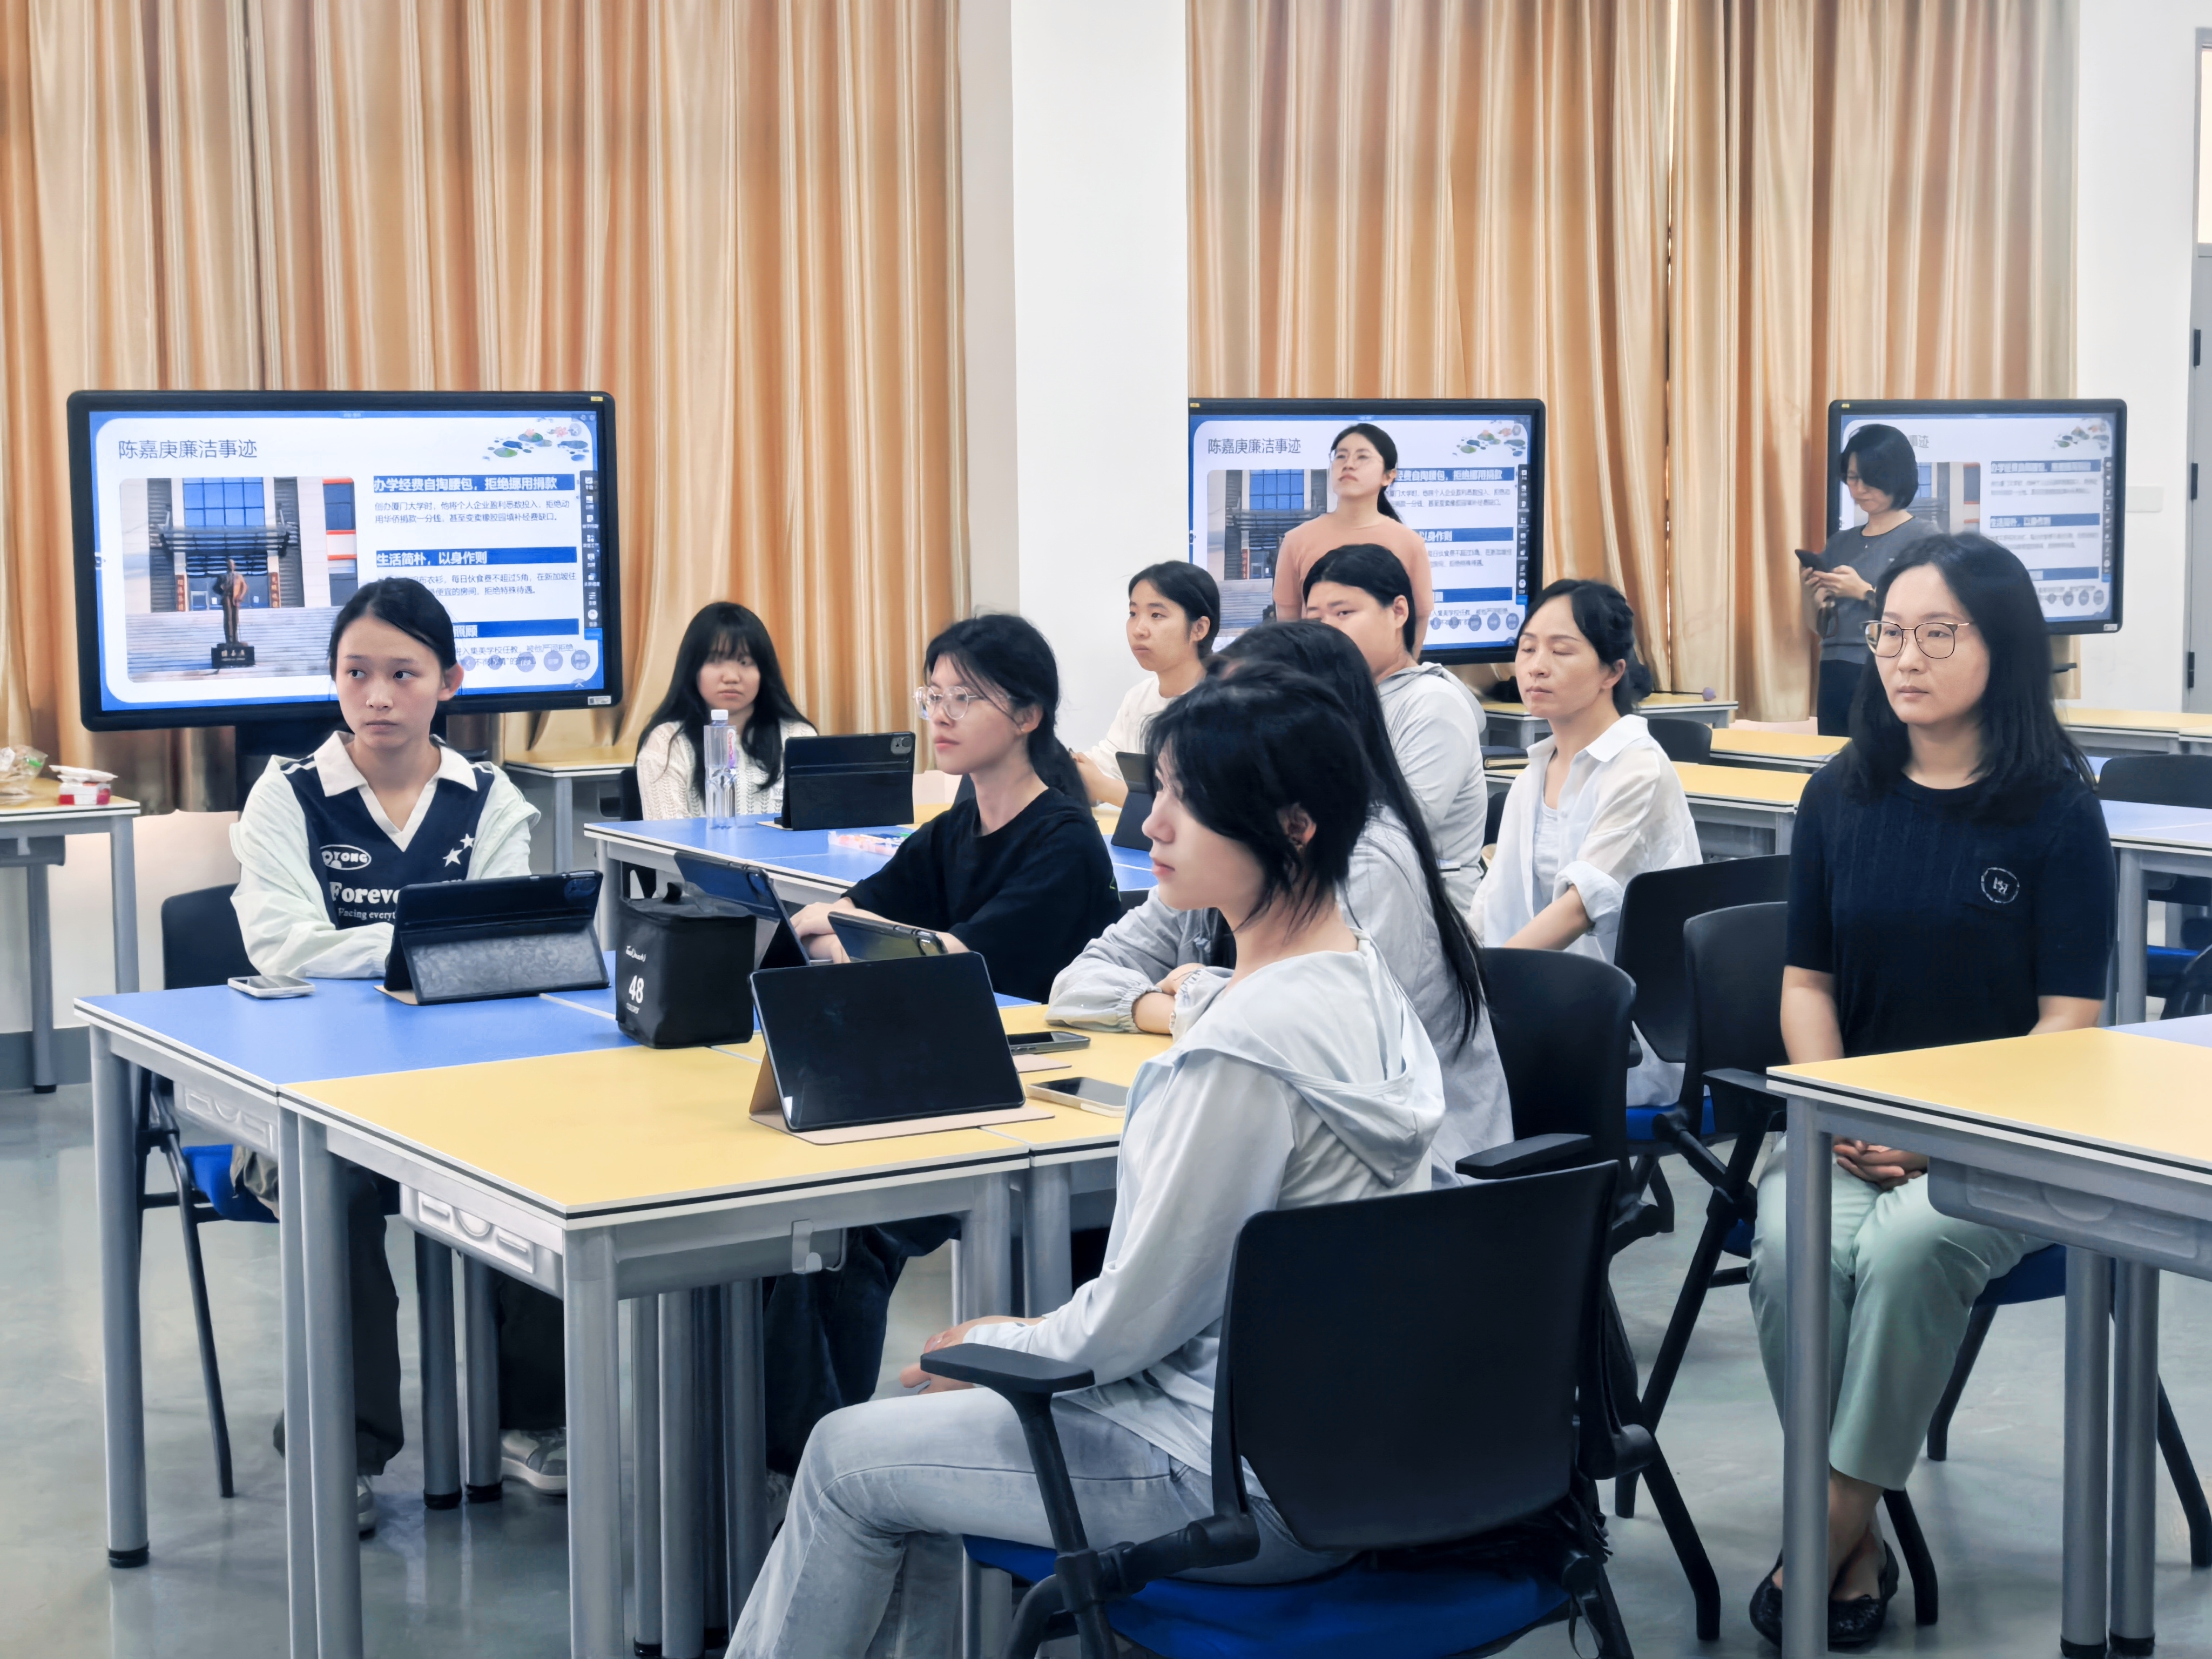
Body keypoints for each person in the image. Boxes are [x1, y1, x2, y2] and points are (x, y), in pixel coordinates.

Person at [730, 662, 1449, 1658]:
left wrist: (1002, 1342)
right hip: (1359, 1448)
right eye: (1161, 792)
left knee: (848, 1452)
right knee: (911, 1447)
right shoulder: (1363, 985)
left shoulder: (1238, 1058)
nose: (1152, 825)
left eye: (1188, 802)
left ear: (1292, 827)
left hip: (1227, 1475)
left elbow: (1127, 1326)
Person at [1745, 534, 2112, 1650]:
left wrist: (1942, 1139)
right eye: (1889, 632)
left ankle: (1823, 1534)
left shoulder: (2055, 809)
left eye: (1936, 634)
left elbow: (2068, 1024)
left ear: (2001, 647)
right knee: (1789, 1248)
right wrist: (1841, 1111)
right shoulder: (1839, 793)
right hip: (1843, 1126)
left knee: (1908, 1250)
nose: (1903, 657)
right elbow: (1804, 986)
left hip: (2001, 1143)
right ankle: (1853, 1538)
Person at [228, 578, 569, 1533]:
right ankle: (342, 1442)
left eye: (404, 674)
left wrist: (384, 946)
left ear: (449, 682)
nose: (377, 697)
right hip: (312, 1091)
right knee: (332, 1190)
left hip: (460, 1086)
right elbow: (281, 946)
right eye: (356, 673)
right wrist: (423, 944)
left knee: (542, 1164)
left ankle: (530, 1416)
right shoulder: (287, 794)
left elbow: (500, 945)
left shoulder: (489, 796)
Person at [1053, 619, 1510, 1172]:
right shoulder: (1223, 858)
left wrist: (1196, 991)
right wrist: (1180, 1009)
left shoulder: (1368, 858)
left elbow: (1312, 1033)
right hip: (1288, 1134)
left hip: (1419, 1171)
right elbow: (1075, 984)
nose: (1222, 725)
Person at [790, 613, 1121, 1003]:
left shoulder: (1066, 841)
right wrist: (845, 940)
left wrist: (854, 932)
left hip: (1034, 1034)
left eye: (962, 698)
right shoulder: (950, 829)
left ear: (1027, 716)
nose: (940, 717)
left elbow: (960, 960)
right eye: (934, 697)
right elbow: (817, 927)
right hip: (949, 1020)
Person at [1474, 579, 1700, 1106]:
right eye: (1527, 648)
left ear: (1612, 671)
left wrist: (1481, 987)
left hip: (1628, 1032)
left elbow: (1580, 908)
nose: (1536, 666)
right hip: (1541, 999)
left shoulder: (1638, 769)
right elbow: (1489, 904)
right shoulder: (1533, 773)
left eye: (1561, 650)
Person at [1303, 543, 1487, 911]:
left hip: (1426, 912)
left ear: (1399, 611)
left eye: (1344, 613)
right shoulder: (1338, 701)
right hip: (1346, 900)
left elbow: (1398, 833)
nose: (1328, 631)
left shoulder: (1433, 703)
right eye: (1316, 619)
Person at [1803, 423, 1937, 737]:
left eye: (1870, 478)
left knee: (1883, 757)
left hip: (1887, 669)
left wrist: (1864, 592)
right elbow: (1819, 628)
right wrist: (1812, 598)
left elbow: (1929, 618)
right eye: (1852, 478)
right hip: (1833, 670)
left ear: (1896, 476)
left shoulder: (1925, 539)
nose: (1859, 489)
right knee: (1835, 758)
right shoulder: (1840, 543)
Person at [635, 602, 816, 818]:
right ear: (693, 669)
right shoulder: (667, 743)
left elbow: (817, 825)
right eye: (716, 661)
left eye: (745, 662)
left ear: (764, 673)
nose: (731, 677)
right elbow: (666, 834)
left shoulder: (799, 737)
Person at [1271, 422, 1435, 649]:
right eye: (1341, 456)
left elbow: (1419, 618)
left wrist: (1405, 669)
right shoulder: (1297, 540)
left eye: (1362, 457)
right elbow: (1289, 627)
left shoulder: (1409, 543)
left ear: (1389, 476)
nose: (1348, 464)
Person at [1074, 562, 1219, 807]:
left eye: (1156, 615)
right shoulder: (1139, 697)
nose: (1139, 630)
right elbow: (1108, 764)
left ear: (1199, 628)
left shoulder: (1223, 707)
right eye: (1133, 614)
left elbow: (1197, 809)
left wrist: (1102, 787)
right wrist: (1069, 772)